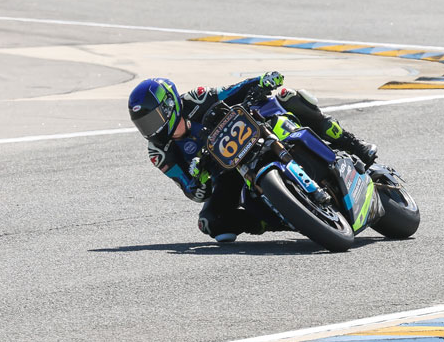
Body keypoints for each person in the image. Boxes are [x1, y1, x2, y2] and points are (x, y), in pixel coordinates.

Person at [128, 73, 378, 243]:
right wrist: (199, 174)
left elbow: (234, 91)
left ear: (169, 107)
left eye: (152, 121)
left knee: (287, 96)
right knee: (210, 223)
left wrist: (261, 80)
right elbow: (194, 192)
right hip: (227, 170)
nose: (151, 130)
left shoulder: (196, 99)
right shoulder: (158, 152)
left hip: (256, 128)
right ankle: (287, 217)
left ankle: (352, 144)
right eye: (143, 125)